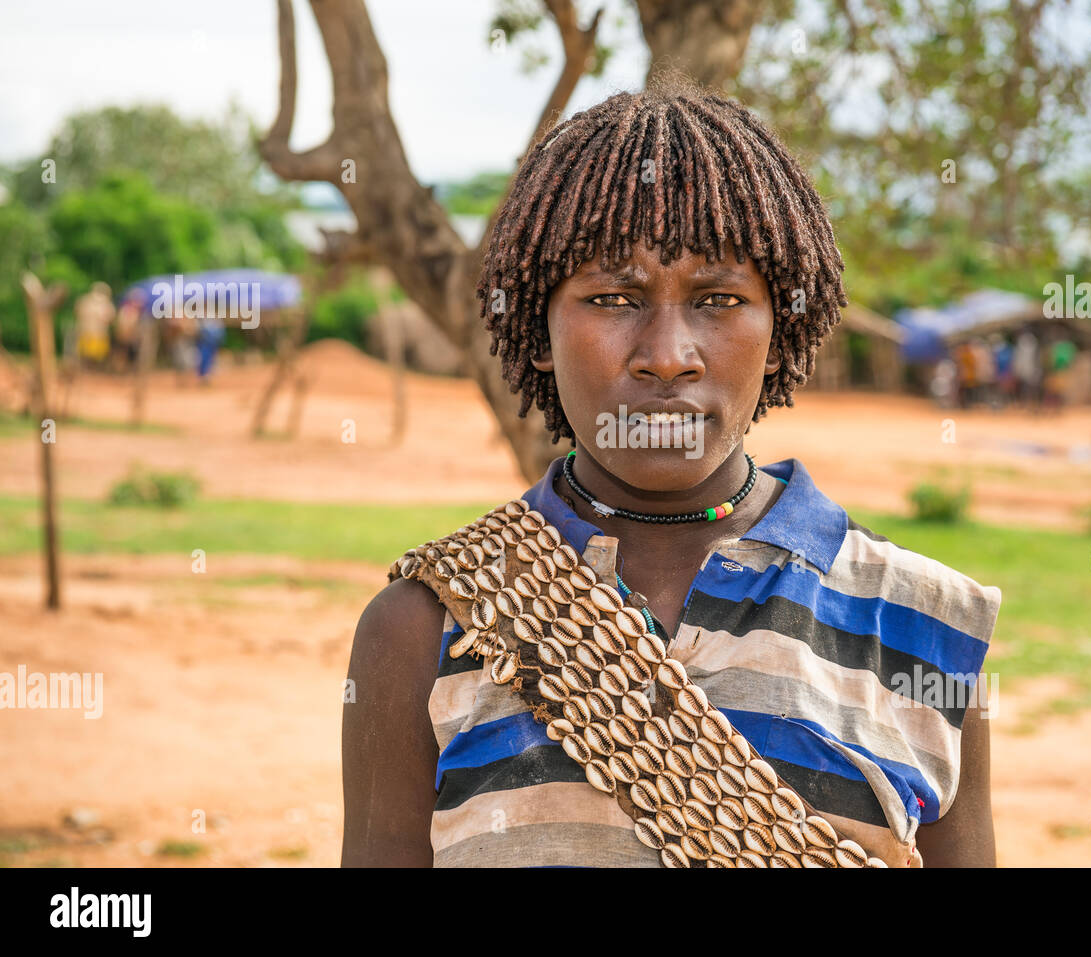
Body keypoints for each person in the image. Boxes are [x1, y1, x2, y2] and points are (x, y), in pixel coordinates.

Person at [342, 77, 1002, 869]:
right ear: (539, 332)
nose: (666, 355)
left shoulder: (922, 627)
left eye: (718, 299)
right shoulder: (424, 629)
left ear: (781, 331)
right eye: (614, 297)